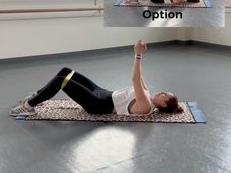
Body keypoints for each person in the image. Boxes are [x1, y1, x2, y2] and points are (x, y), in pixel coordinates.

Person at [10, 39, 183, 117]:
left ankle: (28, 106)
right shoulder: (148, 95)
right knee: (66, 71)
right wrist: (139, 54)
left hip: (99, 105)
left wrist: (137, 55)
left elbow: (134, 80)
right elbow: (140, 76)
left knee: (61, 81)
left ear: (163, 104)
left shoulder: (146, 106)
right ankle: (37, 96)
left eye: (165, 95)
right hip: (104, 93)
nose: (162, 92)